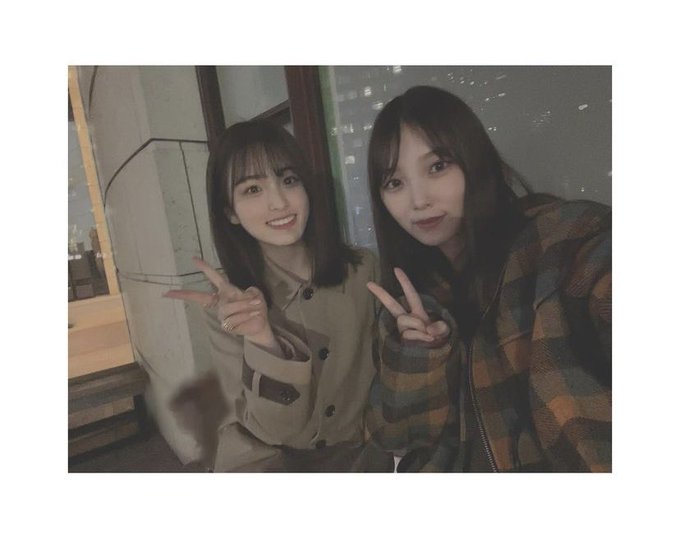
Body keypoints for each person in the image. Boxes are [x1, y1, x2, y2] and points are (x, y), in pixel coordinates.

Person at [363, 86, 611, 472]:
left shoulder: (560, 243)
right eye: (395, 182)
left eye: (437, 166)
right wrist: (419, 356)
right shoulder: (411, 302)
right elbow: (395, 439)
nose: (419, 200)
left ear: (473, 159)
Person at [165, 120, 391, 472]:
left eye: (289, 180)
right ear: (230, 212)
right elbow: (272, 430)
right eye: (253, 189)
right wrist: (262, 340)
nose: (279, 202)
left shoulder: (363, 271)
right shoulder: (227, 307)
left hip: (362, 459)